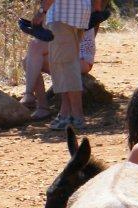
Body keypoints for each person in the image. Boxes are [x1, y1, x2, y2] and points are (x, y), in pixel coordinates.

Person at [32, 0, 94, 131]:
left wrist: (42, 11)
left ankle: (77, 116)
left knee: (65, 66)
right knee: (65, 66)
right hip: (79, 15)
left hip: (63, 16)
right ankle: (66, 114)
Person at [21, 27, 96, 121]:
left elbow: (61, 39)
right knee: (28, 60)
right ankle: (41, 106)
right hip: (65, 52)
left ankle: (30, 96)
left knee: (35, 47)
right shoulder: (56, 17)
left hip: (81, 59)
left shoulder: (68, 16)